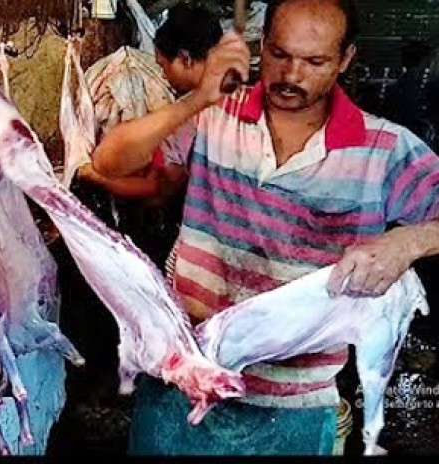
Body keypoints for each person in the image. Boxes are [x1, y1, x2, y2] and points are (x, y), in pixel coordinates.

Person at [92, 0, 439, 455]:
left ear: (345, 59)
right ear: (262, 45)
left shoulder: (384, 149)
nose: (291, 75)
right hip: (181, 379)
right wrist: (197, 98)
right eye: (279, 54)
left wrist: (408, 241)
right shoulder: (214, 114)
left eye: (314, 62)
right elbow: (109, 162)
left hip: (292, 406)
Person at [75, 5, 224, 269]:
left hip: (205, 249)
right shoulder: (245, 98)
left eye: (163, 66)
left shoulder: (190, 118)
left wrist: (91, 174)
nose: (163, 74)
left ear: (185, 59)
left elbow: (157, 192)